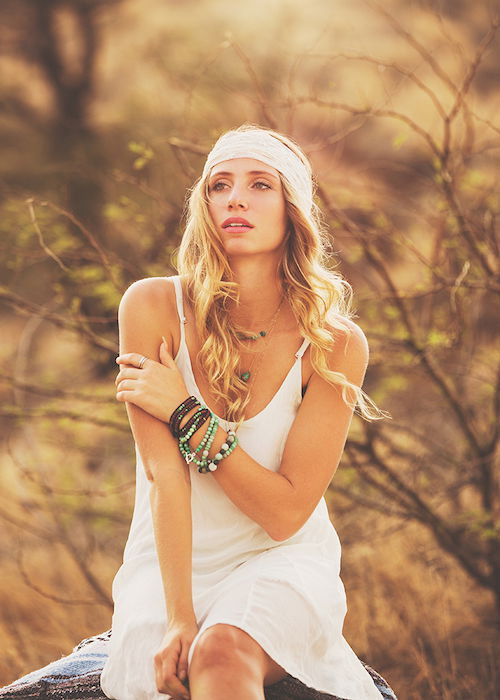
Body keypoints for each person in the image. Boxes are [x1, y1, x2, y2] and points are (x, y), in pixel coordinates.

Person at [101, 124, 391, 700]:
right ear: (203, 205)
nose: (235, 198)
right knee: (184, 654)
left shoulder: (334, 344)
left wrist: (186, 411)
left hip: (278, 560)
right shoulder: (153, 305)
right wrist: (180, 616)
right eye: (219, 185)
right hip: (172, 562)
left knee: (222, 650)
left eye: (260, 185)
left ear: (293, 211)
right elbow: (164, 476)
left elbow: (284, 513)